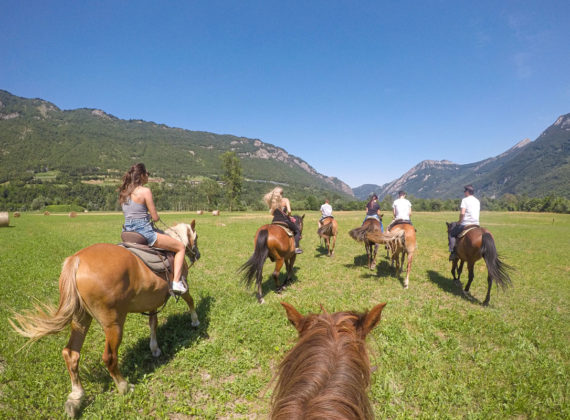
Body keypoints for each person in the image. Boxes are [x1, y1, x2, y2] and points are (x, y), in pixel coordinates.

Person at [119, 163, 188, 294]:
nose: (148, 177)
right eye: (147, 174)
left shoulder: (124, 192)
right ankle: (177, 282)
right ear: (142, 175)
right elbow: (155, 218)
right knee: (180, 247)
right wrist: (152, 215)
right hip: (144, 232)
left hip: (127, 232)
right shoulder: (145, 191)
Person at [264, 187, 303, 254]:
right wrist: (289, 215)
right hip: (284, 220)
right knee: (297, 231)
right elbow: (289, 211)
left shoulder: (273, 201)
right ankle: (296, 248)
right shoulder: (285, 200)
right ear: (282, 193)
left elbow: (272, 213)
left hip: (274, 221)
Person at [448, 184, 480, 261]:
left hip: (466, 223)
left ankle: (453, 252)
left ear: (468, 192)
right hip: (476, 224)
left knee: (451, 233)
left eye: (465, 191)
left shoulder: (465, 200)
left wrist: (459, 222)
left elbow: (462, 213)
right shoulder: (477, 201)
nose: (464, 192)